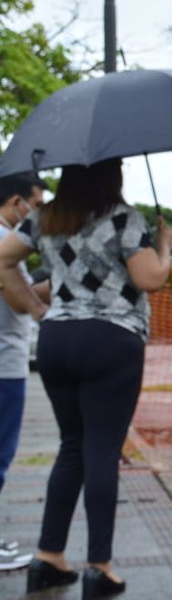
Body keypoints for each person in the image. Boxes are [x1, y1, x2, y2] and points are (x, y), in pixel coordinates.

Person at [0, 158, 172, 600]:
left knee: (72, 447)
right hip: (112, 340)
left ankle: (49, 557)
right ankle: (100, 566)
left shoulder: (44, 217)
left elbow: (4, 261)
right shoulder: (123, 218)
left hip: (57, 339)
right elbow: (149, 278)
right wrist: (165, 244)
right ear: (110, 175)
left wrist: (34, 308)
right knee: (101, 449)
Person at [0, 172, 47, 572]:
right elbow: (19, 298)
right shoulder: (4, 242)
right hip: (4, 363)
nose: (36, 212)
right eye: (34, 203)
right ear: (16, 202)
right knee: (0, 455)